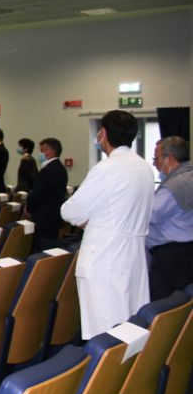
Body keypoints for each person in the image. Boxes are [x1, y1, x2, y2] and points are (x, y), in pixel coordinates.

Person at [61, 110, 155, 339]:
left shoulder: (106, 169)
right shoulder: (143, 166)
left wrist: (90, 217)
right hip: (133, 256)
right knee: (131, 325)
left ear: (103, 133)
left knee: (105, 332)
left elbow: (70, 211)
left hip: (106, 257)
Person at [146, 136, 193, 300]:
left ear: (169, 159)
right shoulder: (189, 176)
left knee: (164, 306)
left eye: (156, 158)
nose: (154, 163)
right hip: (186, 252)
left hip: (171, 257)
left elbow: (150, 215)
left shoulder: (174, 185)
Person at [26, 137, 69, 246]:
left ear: (50, 151)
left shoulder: (47, 170)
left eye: (42, 151)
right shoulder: (61, 169)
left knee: (42, 247)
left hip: (43, 218)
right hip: (55, 216)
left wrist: (29, 208)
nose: (40, 154)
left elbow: (36, 194)